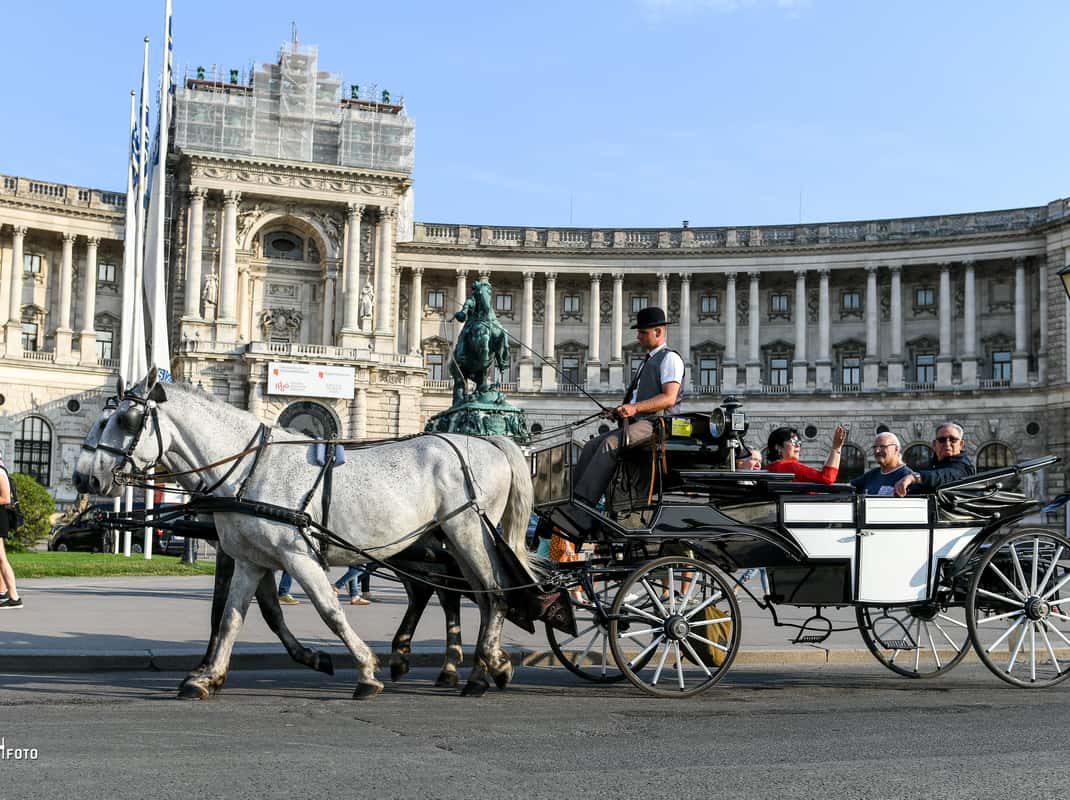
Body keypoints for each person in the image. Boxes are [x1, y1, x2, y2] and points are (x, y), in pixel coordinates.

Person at [568, 306, 685, 530]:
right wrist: (618, 411)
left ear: (658, 332)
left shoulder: (670, 359)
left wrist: (634, 408)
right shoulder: (647, 361)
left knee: (611, 444)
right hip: (639, 423)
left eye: (642, 332)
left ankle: (584, 510)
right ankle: (573, 500)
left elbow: (669, 398)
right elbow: (638, 398)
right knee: (591, 446)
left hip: (657, 425)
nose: (638, 337)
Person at [893, 422, 976, 496]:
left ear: (961, 444)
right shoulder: (930, 465)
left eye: (953, 440)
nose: (947, 444)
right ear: (934, 444)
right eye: (942, 440)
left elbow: (944, 476)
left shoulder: (964, 467)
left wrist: (915, 477)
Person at [767, 425, 846, 484]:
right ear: (778, 447)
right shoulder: (792, 467)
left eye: (799, 442)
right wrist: (836, 448)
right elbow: (827, 478)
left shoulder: (768, 469)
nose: (798, 445)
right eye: (793, 442)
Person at [0, 458, 22, 609]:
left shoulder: (0, 472)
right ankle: (4, 591)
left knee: (2, 558)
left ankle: (14, 597)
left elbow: (6, 498)